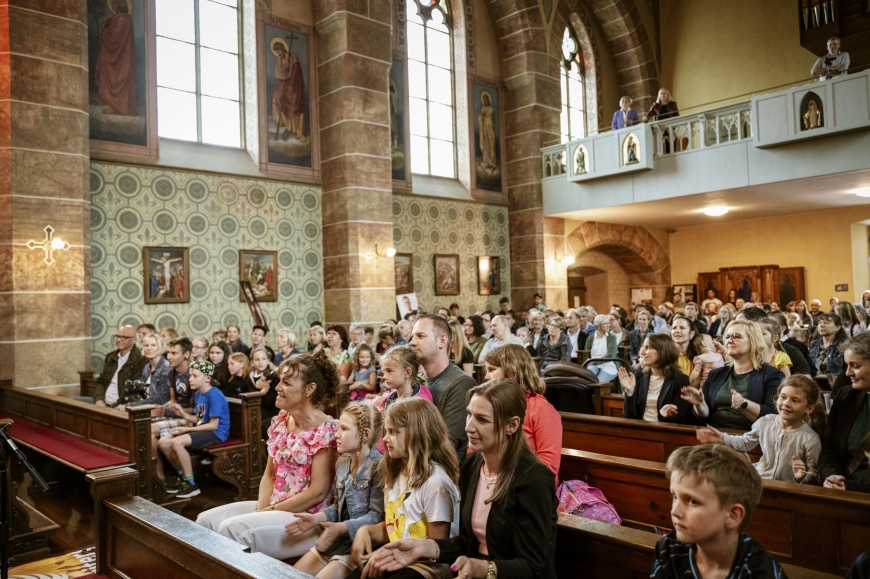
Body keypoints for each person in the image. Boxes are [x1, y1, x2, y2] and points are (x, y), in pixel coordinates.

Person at [360, 380, 558, 579]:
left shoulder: (534, 479)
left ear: (512, 425)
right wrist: (422, 547)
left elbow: (532, 567)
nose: (469, 427)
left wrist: (483, 568)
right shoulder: (472, 465)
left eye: (482, 419)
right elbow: (467, 543)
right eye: (469, 414)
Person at [197, 350, 340, 558]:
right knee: (204, 522)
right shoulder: (282, 421)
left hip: (306, 519)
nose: (277, 387)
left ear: (310, 389)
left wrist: (268, 513)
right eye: (280, 380)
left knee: (232, 529)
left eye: (287, 383)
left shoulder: (326, 430)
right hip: (275, 506)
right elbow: (269, 475)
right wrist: (261, 512)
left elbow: (317, 492)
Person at [351, 398, 460, 577]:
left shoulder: (435, 483)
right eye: (386, 431)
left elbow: (437, 547)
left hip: (427, 567)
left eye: (393, 432)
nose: (385, 438)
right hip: (399, 557)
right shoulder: (395, 472)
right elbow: (396, 528)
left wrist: (386, 554)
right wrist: (367, 531)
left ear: (417, 434)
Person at [651, 444, 786, 579]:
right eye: (675, 497)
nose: (674, 511)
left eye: (693, 501)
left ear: (733, 515)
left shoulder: (762, 572)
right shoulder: (668, 548)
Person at [288, 403, 384, 579]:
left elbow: (377, 517)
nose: (336, 434)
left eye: (344, 429)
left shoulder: (379, 467)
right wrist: (316, 518)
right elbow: (338, 507)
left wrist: (340, 527)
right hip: (339, 539)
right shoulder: (342, 463)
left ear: (365, 434)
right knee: (288, 575)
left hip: (361, 543)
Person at [698, 375, 824, 483]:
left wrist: (800, 478)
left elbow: (813, 474)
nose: (786, 403)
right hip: (759, 480)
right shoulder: (766, 421)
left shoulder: (810, 438)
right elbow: (745, 443)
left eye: (795, 400)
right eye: (783, 397)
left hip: (788, 488)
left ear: (809, 408)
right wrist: (722, 438)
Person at [681, 320, 784, 430]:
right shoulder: (715, 374)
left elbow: (772, 415)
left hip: (750, 439)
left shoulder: (772, 375)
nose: (730, 340)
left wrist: (744, 404)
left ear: (753, 341)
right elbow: (705, 415)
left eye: (737, 336)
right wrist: (699, 404)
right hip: (716, 435)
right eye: (727, 336)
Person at [483, 344, 562, 475]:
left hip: (526, 486)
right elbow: (475, 453)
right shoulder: (491, 405)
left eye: (491, 370)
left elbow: (549, 469)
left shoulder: (541, 410)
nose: (486, 377)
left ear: (512, 372)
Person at [156, 360, 230, 498]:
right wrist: (183, 414)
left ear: (207, 378)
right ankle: (183, 476)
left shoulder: (215, 395)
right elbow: (199, 419)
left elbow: (213, 425)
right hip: (204, 429)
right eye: (190, 375)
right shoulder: (198, 394)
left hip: (217, 433)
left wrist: (185, 430)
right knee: (163, 442)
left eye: (195, 376)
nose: (190, 379)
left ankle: (191, 485)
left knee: (177, 442)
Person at [410, 315, 477, 465]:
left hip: (440, 471)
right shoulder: (415, 380)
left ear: (442, 341)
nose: (412, 343)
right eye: (412, 336)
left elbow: (446, 445)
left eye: (420, 336)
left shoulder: (461, 383)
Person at [817, 332, 870, 493]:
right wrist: (832, 477)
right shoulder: (846, 395)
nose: (847, 373)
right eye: (847, 365)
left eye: (856, 366)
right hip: (842, 489)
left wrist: (852, 487)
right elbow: (830, 449)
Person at [619, 334, 691, 424]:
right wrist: (629, 392)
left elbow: (679, 419)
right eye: (643, 347)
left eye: (647, 348)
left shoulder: (680, 380)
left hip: (664, 432)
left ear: (663, 351)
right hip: (640, 429)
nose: (642, 353)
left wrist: (663, 414)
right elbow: (629, 417)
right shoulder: (639, 375)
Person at [95, 0, 137, 116]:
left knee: (120, 80)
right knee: (112, 78)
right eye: (112, 3)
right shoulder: (117, 19)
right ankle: (114, 106)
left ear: (121, 4)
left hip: (122, 59)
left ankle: (121, 108)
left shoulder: (123, 20)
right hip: (114, 57)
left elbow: (114, 38)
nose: (113, 5)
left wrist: (105, 31)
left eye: (115, 3)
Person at [92, 325, 147, 407]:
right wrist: (99, 399)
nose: (118, 340)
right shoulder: (110, 357)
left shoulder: (141, 360)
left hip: (120, 406)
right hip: (102, 403)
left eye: (124, 337)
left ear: (134, 340)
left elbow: (133, 391)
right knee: (75, 401)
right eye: (118, 336)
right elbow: (101, 382)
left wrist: (114, 406)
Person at [134, 333, 171, 407]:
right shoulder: (146, 367)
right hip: (144, 408)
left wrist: (131, 405)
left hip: (160, 410)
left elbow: (160, 399)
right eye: (146, 345)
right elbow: (143, 393)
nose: (148, 348)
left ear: (160, 347)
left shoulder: (167, 368)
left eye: (153, 345)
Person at [810, 313, 847, 381]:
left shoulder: (844, 345)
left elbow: (847, 372)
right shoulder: (814, 343)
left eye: (826, 323)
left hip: (835, 385)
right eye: (819, 323)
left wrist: (828, 376)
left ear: (838, 327)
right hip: (814, 383)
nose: (821, 325)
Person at [585, 314, 619, 383]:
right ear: (598, 326)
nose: (608, 325)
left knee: (598, 382)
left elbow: (611, 356)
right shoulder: (590, 338)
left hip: (608, 365)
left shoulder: (612, 337)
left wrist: (594, 361)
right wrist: (590, 362)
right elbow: (586, 353)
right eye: (605, 324)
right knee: (587, 378)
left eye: (608, 323)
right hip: (593, 365)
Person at [671, 315, 700, 379]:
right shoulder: (665, 356)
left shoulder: (700, 357)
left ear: (691, 334)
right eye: (674, 328)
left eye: (682, 328)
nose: (677, 331)